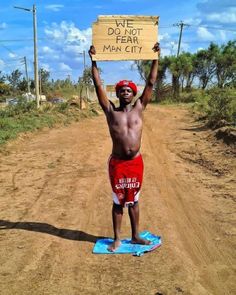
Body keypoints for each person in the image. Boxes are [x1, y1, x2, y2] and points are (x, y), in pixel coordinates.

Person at [88, 43, 160, 251]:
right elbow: (99, 85)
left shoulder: (140, 108)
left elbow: (151, 82)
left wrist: (155, 57)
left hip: (135, 163)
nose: (126, 92)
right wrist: (94, 60)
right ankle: (117, 238)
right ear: (118, 94)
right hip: (118, 164)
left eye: (129, 90)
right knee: (118, 201)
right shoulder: (111, 112)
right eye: (122, 90)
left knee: (134, 200)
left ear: (133, 93)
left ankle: (136, 235)